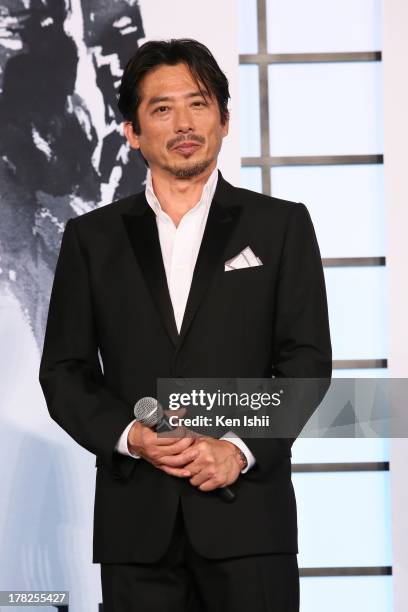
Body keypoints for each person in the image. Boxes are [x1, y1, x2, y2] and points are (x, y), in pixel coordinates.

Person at [39, 38, 332, 612]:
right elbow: (65, 371)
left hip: (249, 521)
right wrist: (131, 437)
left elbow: (305, 362)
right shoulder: (92, 240)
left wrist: (239, 449)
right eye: (161, 108)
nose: (183, 123)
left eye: (198, 104)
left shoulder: (281, 227)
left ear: (224, 120)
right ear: (132, 130)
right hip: (135, 529)